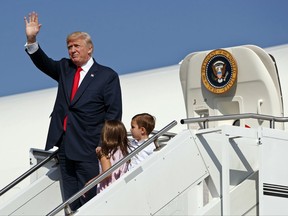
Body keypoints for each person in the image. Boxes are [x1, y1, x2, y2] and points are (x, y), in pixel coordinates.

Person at [24, 12, 122, 211]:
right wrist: (32, 39)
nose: (72, 50)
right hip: (66, 146)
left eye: (77, 46)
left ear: (90, 48)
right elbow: (43, 62)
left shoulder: (106, 76)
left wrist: (104, 145)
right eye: (69, 47)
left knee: (91, 198)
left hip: (90, 147)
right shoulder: (65, 68)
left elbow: (114, 113)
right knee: (71, 202)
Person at [86, 120, 130, 193]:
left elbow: (107, 173)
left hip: (108, 189)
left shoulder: (104, 152)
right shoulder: (123, 150)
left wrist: (91, 182)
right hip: (122, 186)